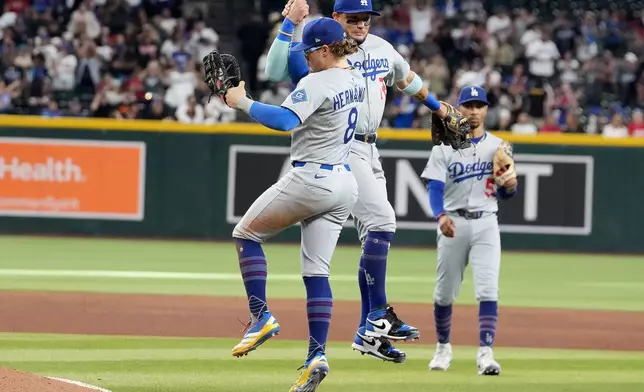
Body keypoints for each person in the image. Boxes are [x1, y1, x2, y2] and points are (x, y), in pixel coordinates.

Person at [264, 0, 469, 363]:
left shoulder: (381, 48)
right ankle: (376, 315)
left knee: (372, 235)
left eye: (366, 18)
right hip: (343, 145)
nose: (361, 24)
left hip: (372, 148)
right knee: (383, 221)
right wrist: (291, 26)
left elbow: (408, 81)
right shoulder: (323, 53)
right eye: (353, 18)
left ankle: (367, 331)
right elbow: (278, 68)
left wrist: (438, 107)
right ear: (337, 19)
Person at [225, 17, 364, 392]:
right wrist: (293, 25)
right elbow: (305, 76)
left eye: (309, 51)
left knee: (246, 233)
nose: (305, 57)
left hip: (312, 179)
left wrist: (242, 102)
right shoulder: (355, 76)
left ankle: (261, 317)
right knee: (317, 273)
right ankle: (316, 355)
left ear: (323, 49)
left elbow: (285, 119)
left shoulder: (320, 81)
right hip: (343, 183)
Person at [420, 86, 518, 375]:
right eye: (468, 106)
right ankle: (442, 348)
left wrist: (510, 187)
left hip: (487, 221)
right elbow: (434, 188)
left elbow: (506, 193)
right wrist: (439, 216)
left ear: (487, 110)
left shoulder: (499, 146)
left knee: (488, 289)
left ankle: (486, 353)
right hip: (453, 223)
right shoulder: (443, 148)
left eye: (479, 106)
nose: (474, 111)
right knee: (444, 293)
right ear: (458, 110)